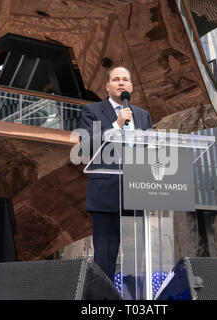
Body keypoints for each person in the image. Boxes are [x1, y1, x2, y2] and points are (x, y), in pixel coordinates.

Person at [80, 66, 152, 282]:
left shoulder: (143, 115)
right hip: (106, 194)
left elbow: (151, 148)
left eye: (125, 79)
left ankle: (133, 300)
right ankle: (102, 303)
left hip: (137, 193)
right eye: (116, 79)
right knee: (105, 258)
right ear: (107, 86)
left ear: (131, 86)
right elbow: (86, 147)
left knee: (135, 259)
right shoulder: (92, 111)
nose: (121, 82)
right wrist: (116, 124)